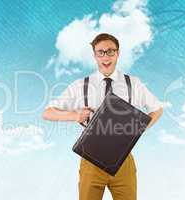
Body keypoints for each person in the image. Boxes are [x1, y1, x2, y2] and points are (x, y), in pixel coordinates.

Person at [42, 33, 163, 200]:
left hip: (123, 160)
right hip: (90, 159)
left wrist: (138, 129)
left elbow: (157, 109)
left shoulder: (133, 83)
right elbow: (48, 112)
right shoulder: (80, 86)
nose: (105, 57)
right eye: (100, 52)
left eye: (110, 51)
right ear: (95, 56)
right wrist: (74, 115)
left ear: (118, 53)